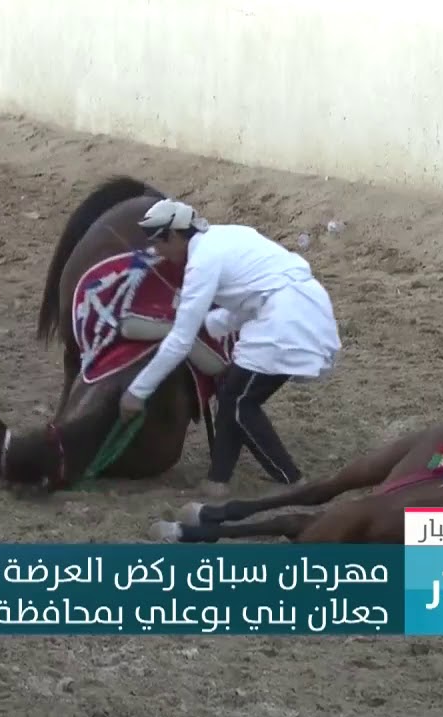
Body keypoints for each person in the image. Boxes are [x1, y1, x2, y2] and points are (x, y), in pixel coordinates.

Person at [118, 198, 342, 498]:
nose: (158, 252)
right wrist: (211, 324)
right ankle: (218, 480)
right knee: (233, 393)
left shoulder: (202, 261)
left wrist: (137, 391)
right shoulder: (228, 235)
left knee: (238, 401)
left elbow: (180, 341)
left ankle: (290, 479)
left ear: (173, 235)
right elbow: (249, 295)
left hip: (287, 319)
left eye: (159, 243)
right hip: (299, 307)